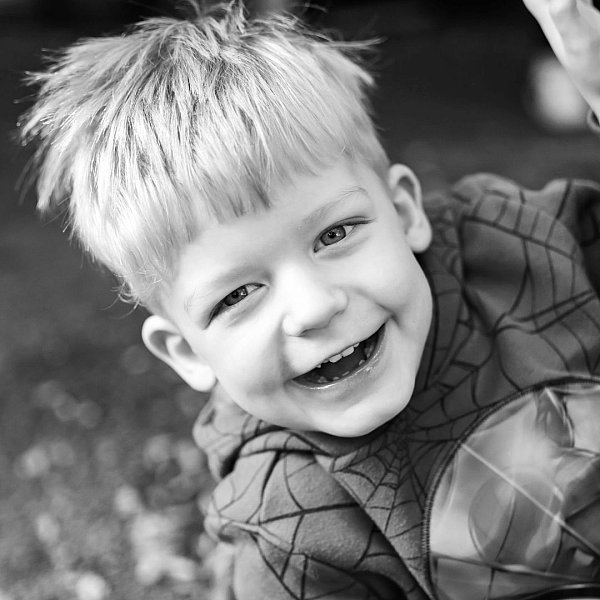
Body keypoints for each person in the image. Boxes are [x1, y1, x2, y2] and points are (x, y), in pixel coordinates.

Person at [18, 0, 600, 598]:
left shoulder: (513, 247)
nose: (315, 307)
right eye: (239, 294)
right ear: (185, 353)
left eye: (335, 234)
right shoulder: (290, 539)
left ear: (404, 213)